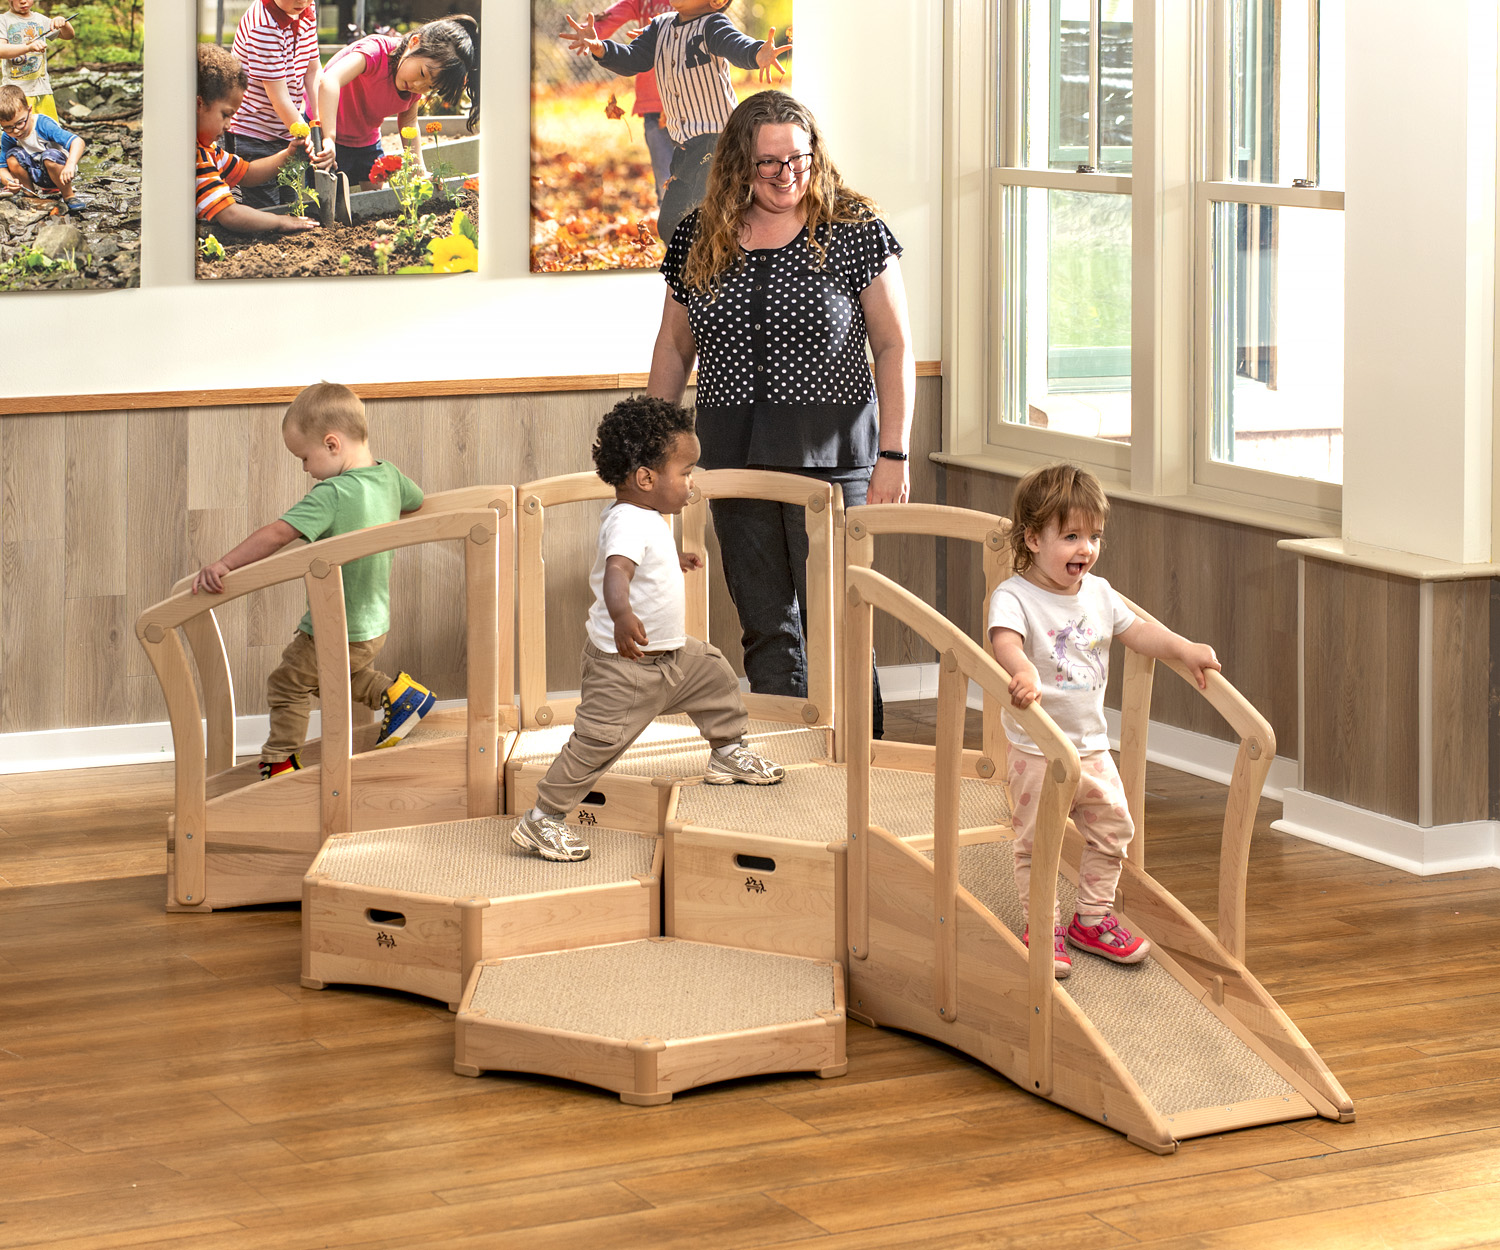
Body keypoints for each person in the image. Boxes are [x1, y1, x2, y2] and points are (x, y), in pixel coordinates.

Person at [647, 89, 914, 737]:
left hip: (834, 463)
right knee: (768, 631)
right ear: (738, 163)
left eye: (798, 158)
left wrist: (894, 454)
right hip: (732, 464)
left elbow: (894, 344)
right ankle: (788, 770)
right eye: (768, 163)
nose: (786, 174)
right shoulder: (698, 234)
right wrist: (652, 459)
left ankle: (861, 773)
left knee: (840, 626)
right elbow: (673, 349)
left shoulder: (853, 231)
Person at [513, 396, 786, 863]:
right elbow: (616, 573)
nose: (691, 483)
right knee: (595, 744)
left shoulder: (648, 517)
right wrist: (621, 616)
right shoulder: (625, 520)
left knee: (716, 674)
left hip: (673, 657)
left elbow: (642, 561)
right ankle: (542, 819)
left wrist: (671, 559)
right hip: (625, 667)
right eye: (685, 472)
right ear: (646, 479)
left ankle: (727, 752)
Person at [988, 463, 1222, 978]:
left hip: (1091, 746)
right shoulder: (1016, 596)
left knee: (1116, 827)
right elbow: (1003, 638)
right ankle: (1041, 928)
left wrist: (1184, 649)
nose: (1085, 549)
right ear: (1032, 537)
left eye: (1094, 536)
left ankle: (1091, 919)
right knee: (1039, 842)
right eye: (1070, 536)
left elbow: (1138, 631)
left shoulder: (1099, 593)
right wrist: (1022, 668)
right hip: (1038, 752)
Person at [191, 382, 436, 780]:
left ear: (332, 444)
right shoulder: (388, 476)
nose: (305, 468)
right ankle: (397, 694)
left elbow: (277, 533)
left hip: (335, 623)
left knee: (288, 683)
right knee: (334, 677)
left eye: (304, 457)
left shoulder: (333, 493)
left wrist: (224, 564)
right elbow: (418, 499)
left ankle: (281, 762)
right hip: (372, 624)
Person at [562, 1, 791, 245]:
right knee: (670, 224)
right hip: (683, 147)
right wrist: (601, 48)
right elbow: (633, 59)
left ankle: (735, 260)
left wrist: (758, 53)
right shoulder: (659, 27)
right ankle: (696, 269)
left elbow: (736, 45)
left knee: (709, 211)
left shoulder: (712, 25)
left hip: (719, 143)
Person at [317, 15, 478, 186]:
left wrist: (419, 171)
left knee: (376, 197)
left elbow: (408, 121)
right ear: (414, 42)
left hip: (365, 140)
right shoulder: (374, 52)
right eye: (422, 73)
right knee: (319, 197)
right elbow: (329, 80)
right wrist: (328, 138)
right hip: (324, 134)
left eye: (430, 87)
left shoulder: (414, 85)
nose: (418, 86)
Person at [195, 45, 318, 236]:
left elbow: (247, 173)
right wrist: (279, 221)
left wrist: (287, 155)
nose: (228, 125)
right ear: (199, 104)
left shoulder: (209, 150)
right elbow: (230, 214)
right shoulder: (196, 158)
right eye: (225, 115)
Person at [227, 0, 331, 210]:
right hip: (253, 131)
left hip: (286, 129)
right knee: (268, 210)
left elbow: (312, 71)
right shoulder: (263, 25)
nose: (301, 0)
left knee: (292, 203)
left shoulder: (306, 9)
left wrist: (320, 127)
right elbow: (278, 97)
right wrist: (305, 134)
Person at [589, 0, 675, 203]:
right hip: (654, 103)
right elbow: (611, 17)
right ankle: (673, 232)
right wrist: (592, 34)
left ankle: (706, 230)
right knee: (666, 180)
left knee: (702, 178)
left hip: (693, 106)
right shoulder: (644, 2)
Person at [0, 82, 86, 211]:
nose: (16, 131)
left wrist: (70, 165)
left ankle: (68, 195)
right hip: (35, 171)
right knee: (11, 156)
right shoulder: (8, 136)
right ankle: (30, 193)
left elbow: (78, 142)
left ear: (29, 110)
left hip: (60, 171)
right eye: (8, 127)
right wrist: (9, 181)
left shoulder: (43, 125)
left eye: (20, 123)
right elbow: (2, 166)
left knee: (49, 156)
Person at [0, 0, 70, 123]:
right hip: (15, 92)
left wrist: (64, 23)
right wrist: (28, 47)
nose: (23, 1)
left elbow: (68, 35)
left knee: (49, 129)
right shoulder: (3, 20)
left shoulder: (40, 19)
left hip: (42, 89)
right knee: (18, 130)